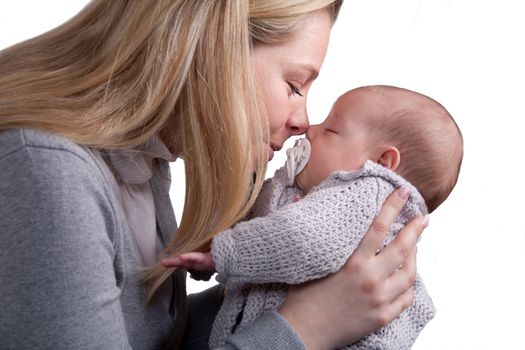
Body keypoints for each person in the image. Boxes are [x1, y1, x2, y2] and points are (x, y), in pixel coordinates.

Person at [0, 1, 428, 349]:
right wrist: (308, 326)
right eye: (295, 85)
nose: (304, 121)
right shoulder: (45, 169)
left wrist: (303, 296)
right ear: (214, 47)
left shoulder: (143, 166)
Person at [164, 85, 463, 349]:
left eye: (330, 130)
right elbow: (267, 221)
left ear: (382, 163)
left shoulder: (369, 191)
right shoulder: (327, 201)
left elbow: (301, 238)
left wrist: (224, 253)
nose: (310, 129)